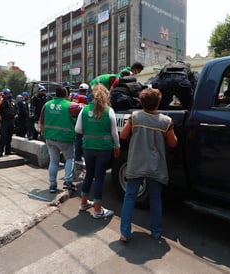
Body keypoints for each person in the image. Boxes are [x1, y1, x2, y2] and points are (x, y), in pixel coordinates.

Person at [119, 87, 178, 242]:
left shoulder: (135, 117)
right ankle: (156, 232)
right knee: (155, 197)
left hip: (136, 163)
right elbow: (173, 143)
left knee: (130, 196)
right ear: (158, 102)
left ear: (141, 102)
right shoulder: (166, 122)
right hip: (155, 166)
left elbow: (123, 135)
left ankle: (124, 233)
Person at [75, 84, 121, 218]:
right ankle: (98, 210)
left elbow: (78, 130)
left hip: (88, 147)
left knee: (89, 174)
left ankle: (84, 203)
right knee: (99, 177)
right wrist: (117, 147)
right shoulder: (109, 110)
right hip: (104, 149)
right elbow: (114, 133)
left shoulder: (84, 110)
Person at [40, 86, 77, 193]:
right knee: (70, 158)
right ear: (66, 94)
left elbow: (41, 122)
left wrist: (43, 135)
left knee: (53, 160)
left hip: (50, 137)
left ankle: (52, 185)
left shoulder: (47, 105)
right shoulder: (70, 105)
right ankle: (67, 182)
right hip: (65, 138)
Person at [0, 88, 16, 158]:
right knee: (3, 136)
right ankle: (0, 152)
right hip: (4, 120)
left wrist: (16, 114)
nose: (10, 94)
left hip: (11, 120)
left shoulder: (12, 101)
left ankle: (8, 151)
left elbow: (16, 109)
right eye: (8, 93)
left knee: (9, 136)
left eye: (10, 93)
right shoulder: (1, 101)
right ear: (5, 94)